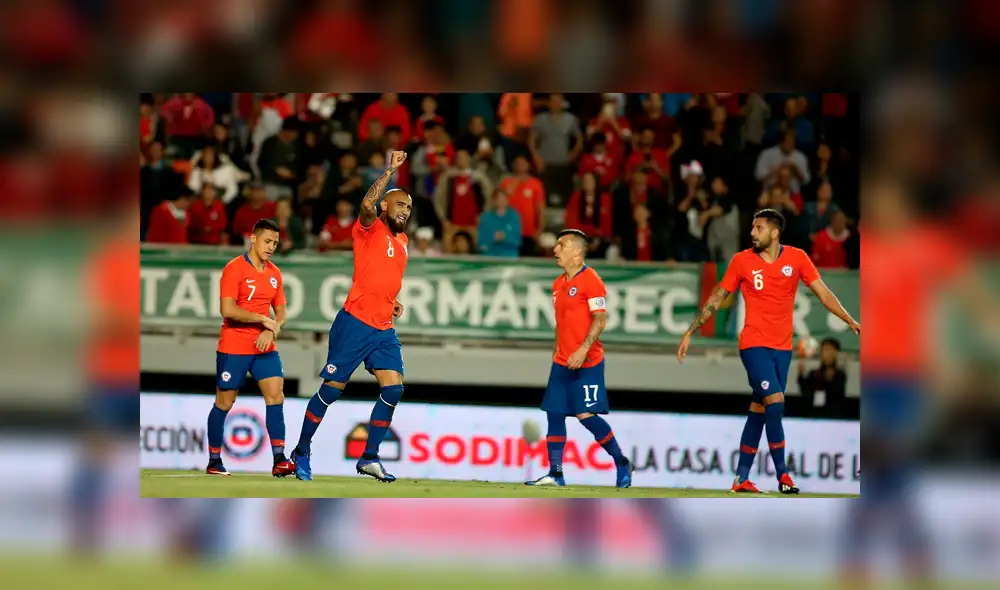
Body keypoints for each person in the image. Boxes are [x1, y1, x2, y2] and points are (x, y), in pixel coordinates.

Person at [676, 208, 860, 494]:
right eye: (752, 227)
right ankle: (783, 475)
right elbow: (717, 297)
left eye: (758, 228)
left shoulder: (797, 258)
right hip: (753, 344)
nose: (752, 232)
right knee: (775, 402)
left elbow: (822, 293)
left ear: (774, 232)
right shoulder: (741, 261)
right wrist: (691, 330)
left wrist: (849, 319)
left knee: (759, 409)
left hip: (782, 349)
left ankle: (741, 479)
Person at [290, 151, 412, 483]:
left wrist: (393, 300)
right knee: (331, 389)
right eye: (401, 204)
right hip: (354, 322)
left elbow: (382, 276)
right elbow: (367, 204)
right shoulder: (369, 228)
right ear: (386, 206)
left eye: (410, 208)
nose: (406, 211)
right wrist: (390, 171)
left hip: (383, 327)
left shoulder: (402, 242)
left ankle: (369, 457)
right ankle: (301, 450)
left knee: (394, 389)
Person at [526, 229, 633, 489]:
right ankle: (556, 473)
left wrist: (583, 348)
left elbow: (600, 318)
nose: (555, 250)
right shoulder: (557, 284)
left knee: (585, 415)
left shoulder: (591, 280)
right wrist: (556, 349)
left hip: (588, 361)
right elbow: (560, 323)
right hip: (562, 361)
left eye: (560, 245)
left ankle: (621, 461)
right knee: (554, 413)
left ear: (577, 251)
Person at [207, 219, 294, 477]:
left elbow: (281, 313)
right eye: (267, 241)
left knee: (276, 395)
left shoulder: (274, 274)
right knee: (225, 401)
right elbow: (227, 309)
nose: (271, 247)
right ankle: (214, 461)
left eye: (275, 243)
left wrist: (270, 329)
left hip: (264, 346)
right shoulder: (234, 269)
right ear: (253, 239)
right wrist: (262, 319)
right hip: (234, 343)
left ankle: (279, 459)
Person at [797, 338, 847, 418]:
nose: (827, 353)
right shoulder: (814, 373)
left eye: (829, 350)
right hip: (814, 414)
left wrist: (830, 380)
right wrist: (801, 375)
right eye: (824, 350)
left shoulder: (839, 374)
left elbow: (839, 395)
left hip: (833, 416)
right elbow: (805, 391)